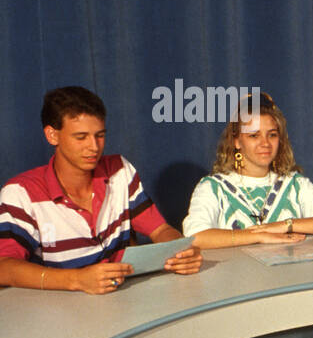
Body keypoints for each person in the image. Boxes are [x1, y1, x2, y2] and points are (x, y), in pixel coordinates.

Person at [0, 86, 202, 294]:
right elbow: (4, 267)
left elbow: (161, 230)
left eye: (100, 135)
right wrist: (77, 280)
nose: (94, 146)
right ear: (52, 135)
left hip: (121, 302)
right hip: (56, 312)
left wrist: (180, 251)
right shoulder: (21, 192)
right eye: (81, 137)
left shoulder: (120, 171)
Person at [182, 92, 313, 247]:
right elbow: (195, 237)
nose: (265, 143)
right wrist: (259, 236)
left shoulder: (294, 183)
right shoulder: (213, 187)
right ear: (236, 141)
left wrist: (286, 224)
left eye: (272, 134)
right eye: (254, 135)